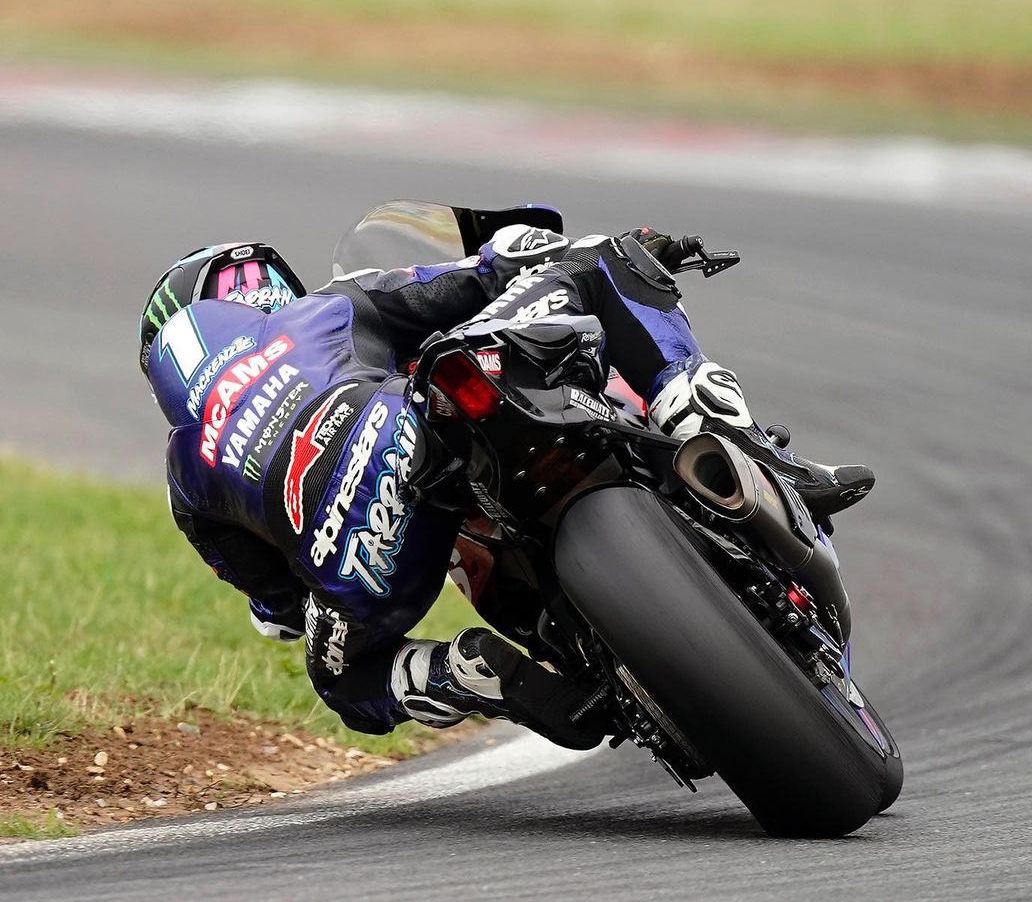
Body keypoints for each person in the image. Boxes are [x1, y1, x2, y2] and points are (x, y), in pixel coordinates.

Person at [139, 220, 873, 750]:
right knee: (599, 259)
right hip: (409, 428)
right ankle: (729, 436)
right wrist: (589, 247)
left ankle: (475, 676)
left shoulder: (184, 476)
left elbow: (280, 608)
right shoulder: (320, 310)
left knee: (344, 683)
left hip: (362, 561)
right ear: (254, 295)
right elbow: (482, 275)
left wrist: (312, 590)